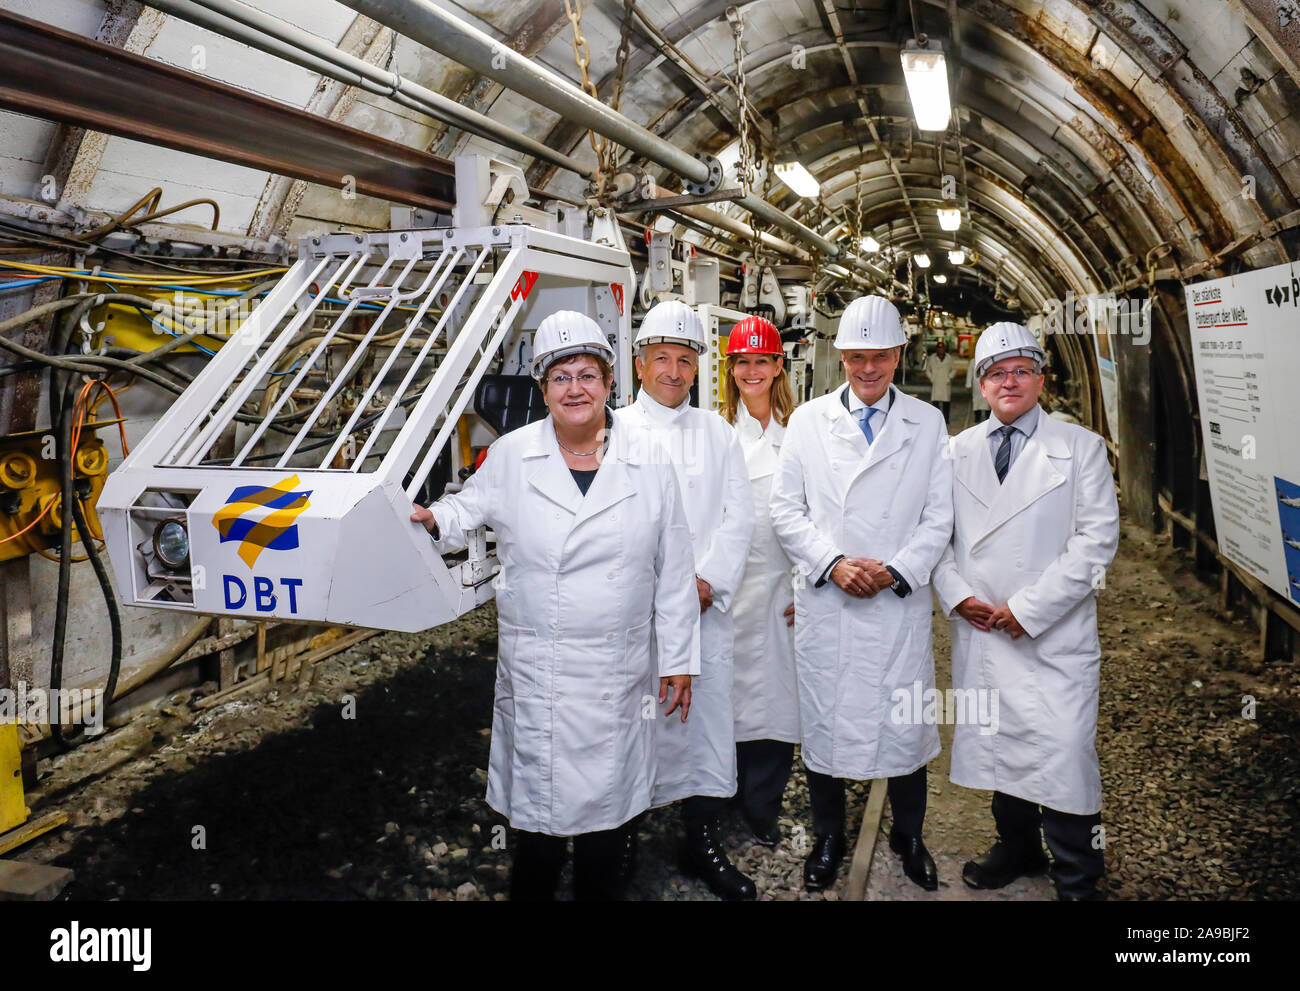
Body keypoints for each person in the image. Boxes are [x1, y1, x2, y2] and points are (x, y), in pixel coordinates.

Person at [410, 310, 698, 901]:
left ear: (610, 383)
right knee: (537, 830)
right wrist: (433, 518)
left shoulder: (648, 460)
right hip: (541, 670)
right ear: (543, 389)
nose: (575, 388)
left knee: (607, 824)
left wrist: (679, 658)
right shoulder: (513, 455)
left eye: (588, 374)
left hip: (617, 674)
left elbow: (674, 569)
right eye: (561, 376)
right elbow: (467, 510)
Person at [770, 295, 953, 892]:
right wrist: (833, 562)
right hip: (831, 602)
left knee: (905, 727)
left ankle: (910, 836)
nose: (867, 369)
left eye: (879, 357)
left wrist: (896, 569)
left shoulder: (927, 424)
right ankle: (828, 836)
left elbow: (938, 517)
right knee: (825, 726)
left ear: (899, 354)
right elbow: (785, 510)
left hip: (893, 604)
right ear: (839, 356)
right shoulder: (807, 422)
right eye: (855, 358)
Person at [932, 322, 1119, 901]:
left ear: (1041, 378)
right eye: (996, 373)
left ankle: (1077, 876)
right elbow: (933, 536)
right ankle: (1016, 847)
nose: (1008, 382)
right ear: (980, 384)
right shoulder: (955, 452)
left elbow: (1097, 544)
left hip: (1052, 634)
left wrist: (1029, 609)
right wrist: (956, 594)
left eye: (1020, 371)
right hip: (984, 629)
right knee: (1000, 746)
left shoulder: (1080, 447)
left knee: (1064, 753)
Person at [615, 299, 756, 901]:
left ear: (697, 369)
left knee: (701, 732)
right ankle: (619, 846)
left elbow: (738, 519)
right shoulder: (611, 430)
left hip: (702, 615)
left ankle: (701, 841)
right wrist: (656, 594)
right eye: (660, 359)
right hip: (633, 619)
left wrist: (705, 584)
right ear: (640, 365)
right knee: (631, 730)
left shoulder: (718, 434)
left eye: (683, 360)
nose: (672, 371)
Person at [718, 315, 799, 846]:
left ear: (777, 366)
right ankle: (720, 800)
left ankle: (763, 805)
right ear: (731, 368)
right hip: (725, 589)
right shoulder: (715, 432)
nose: (752, 370)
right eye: (742, 361)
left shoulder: (800, 434)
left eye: (761, 361)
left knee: (776, 701)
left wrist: (806, 583)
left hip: (780, 587)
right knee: (723, 700)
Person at [924, 338, 956, 424]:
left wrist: (949, 378)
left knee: (946, 403)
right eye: (939, 348)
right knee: (935, 403)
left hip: (945, 383)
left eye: (942, 348)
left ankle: (946, 419)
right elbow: (927, 370)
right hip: (936, 382)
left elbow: (953, 370)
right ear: (936, 349)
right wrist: (932, 378)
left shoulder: (949, 358)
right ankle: (937, 420)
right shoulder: (932, 358)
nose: (940, 350)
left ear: (944, 349)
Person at [965, 350, 990, 423]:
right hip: (976, 386)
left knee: (987, 403)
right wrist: (968, 384)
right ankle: (977, 418)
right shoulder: (973, 361)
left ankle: (987, 419)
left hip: (986, 385)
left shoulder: (988, 360)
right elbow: (969, 373)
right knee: (976, 403)